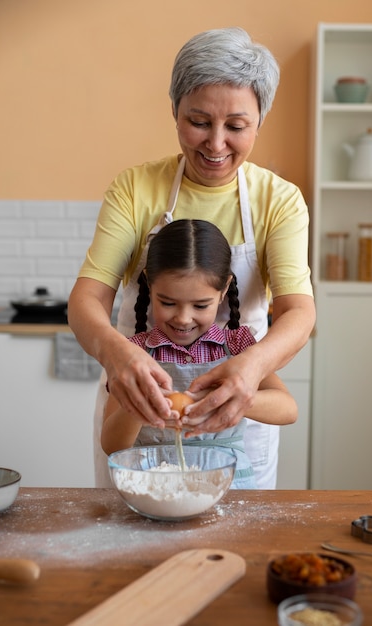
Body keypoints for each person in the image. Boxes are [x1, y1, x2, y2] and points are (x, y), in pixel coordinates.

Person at [67, 26, 315, 489]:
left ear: (260, 119)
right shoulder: (136, 188)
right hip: (140, 432)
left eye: (236, 127)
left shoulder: (278, 201)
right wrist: (118, 357)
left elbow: (298, 311)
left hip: (238, 439)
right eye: (198, 122)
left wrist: (251, 371)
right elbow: (86, 299)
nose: (216, 144)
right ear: (174, 110)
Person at [101, 219, 298, 489]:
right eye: (167, 302)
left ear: (223, 291)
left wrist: (230, 400)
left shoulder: (239, 346)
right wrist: (142, 405)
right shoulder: (134, 354)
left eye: (200, 305)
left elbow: (288, 409)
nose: (183, 318)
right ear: (149, 285)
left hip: (230, 490)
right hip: (155, 489)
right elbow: (111, 444)